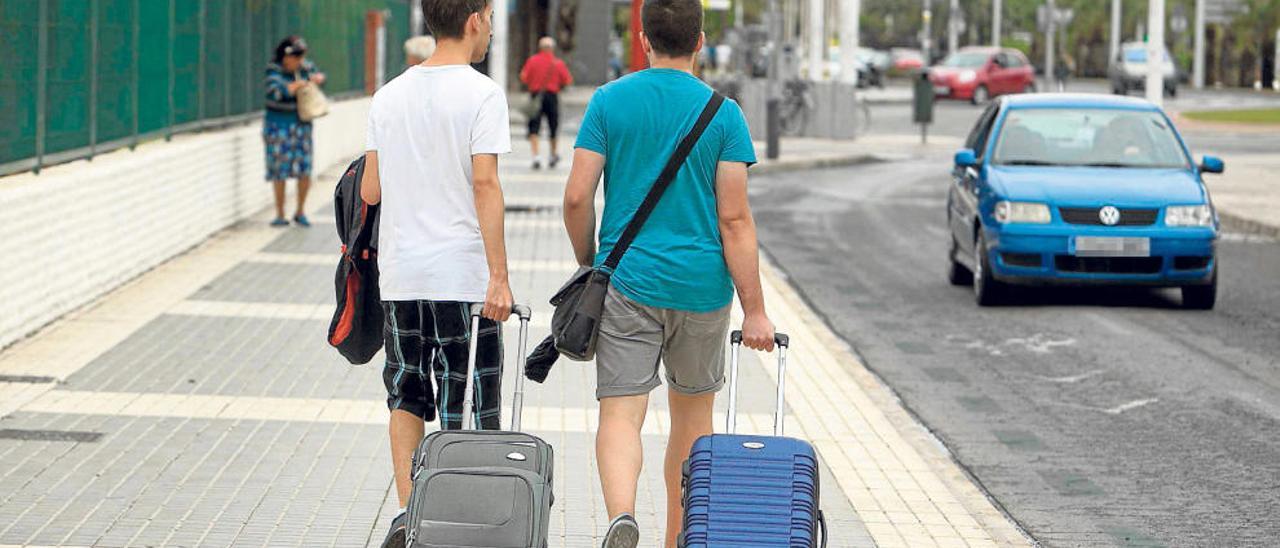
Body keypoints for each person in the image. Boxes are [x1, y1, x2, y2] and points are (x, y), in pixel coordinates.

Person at [562, 0, 776, 545]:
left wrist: (591, 260)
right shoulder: (723, 114)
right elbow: (734, 219)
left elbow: (576, 196)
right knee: (691, 418)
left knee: (620, 411)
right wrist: (755, 309)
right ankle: (681, 536)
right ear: (700, 41)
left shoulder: (609, 102)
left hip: (627, 283)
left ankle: (621, 516)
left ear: (643, 38)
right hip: (702, 289)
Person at [359, 1, 513, 546]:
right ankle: (463, 522)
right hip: (464, 279)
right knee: (468, 400)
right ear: (474, 19)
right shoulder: (482, 94)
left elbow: (370, 191)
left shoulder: (389, 95)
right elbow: (485, 185)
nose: (491, 29)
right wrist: (500, 275)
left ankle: (411, 514)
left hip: (402, 275)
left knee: (406, 394)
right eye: (490, 18)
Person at [264, 36, 325, 227]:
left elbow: (319, 76)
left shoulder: (304, 68)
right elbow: (277, 92)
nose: (299, 62)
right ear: (285, 56)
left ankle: (300, 211)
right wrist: (299, 84)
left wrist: (315, 79)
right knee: (279, 170)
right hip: (278, 125)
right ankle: (280, 213)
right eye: (296, 58)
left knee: (305, 168)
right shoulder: (273, 70)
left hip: (301, 124)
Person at [519, 36, 573, 169]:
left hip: (536, 96)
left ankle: (536, 156)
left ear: (540, 48)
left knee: (534, 126)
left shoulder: (532, 61)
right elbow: (567, 80)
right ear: (552, 49)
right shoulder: (558, 63)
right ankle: (553, 155)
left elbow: (524, 77)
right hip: (552, 96)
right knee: (553, 126)